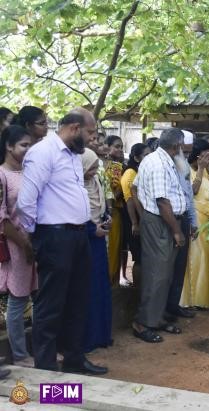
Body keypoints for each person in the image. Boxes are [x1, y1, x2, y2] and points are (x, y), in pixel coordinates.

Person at [17, 109, 107, 374]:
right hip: (54, 236)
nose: (92, 139)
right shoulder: (43, 152)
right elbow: (26, 202)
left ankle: (74, 360)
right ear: (75, 128)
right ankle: (45, 368)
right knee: (51, 304)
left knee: (78, 301)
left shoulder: (73, 155)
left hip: (78, 235)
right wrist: (37, 236)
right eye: (90, 133)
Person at [133, 128, 186, 343]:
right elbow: (162, 202)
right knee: (157, 274)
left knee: (165, 275)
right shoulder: (158, 164)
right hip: (161, 223)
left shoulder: (161, 160)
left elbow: (136, 187)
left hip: (162, 221)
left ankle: (156, 317)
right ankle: (143, 323)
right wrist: (176, 231)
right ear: (177, 145)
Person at [0, 126, 36, 367]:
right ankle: (21, 355)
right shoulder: (1, 175)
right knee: (18, 299)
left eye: (30, 144)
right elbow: (2, 220)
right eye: (24, 145)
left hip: (36, 243)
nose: (28, 149)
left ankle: (41, 349)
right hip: (17, 246)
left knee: (39, 297)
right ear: (8, 146)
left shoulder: (29, 172)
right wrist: (24, 245)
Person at [81, 148, 113, 353]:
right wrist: (92, 230)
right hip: (84, 242)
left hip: (99, 241)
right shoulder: (75, 187)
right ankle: (88, 338)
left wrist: (106, 218)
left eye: (95, 168)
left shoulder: (96, 182)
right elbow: (75, 218)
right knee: (88, 289)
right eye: (90, 169)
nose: (93, 172)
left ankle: (102, 335)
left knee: (101, 286)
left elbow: (101, 207)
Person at [165, 130, 199, 321]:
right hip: (165, 221)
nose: (186, 156)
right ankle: (163, 310)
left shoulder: (183, 166)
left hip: (183, 219)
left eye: (188, 152)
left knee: (180, 266)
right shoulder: (160, 164)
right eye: (183, 152)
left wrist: (193, 221)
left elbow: (189, 197)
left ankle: (173, 306)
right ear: (176, 148)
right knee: (165, 269)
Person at [180, 139, 209, 309]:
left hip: (206, 219)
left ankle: (203, 299)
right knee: (195, 257)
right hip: (194, 218)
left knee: (206, 257)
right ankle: (192, 299)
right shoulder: (186, 170)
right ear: (197, 155)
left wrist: (207, 168)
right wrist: (201, 169)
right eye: (206, 153)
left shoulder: (205, 170)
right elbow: (193, 190)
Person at [120, 143, 151, 287]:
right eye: (146, 155)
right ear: (137, 158)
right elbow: (130, 200)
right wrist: (135, 223)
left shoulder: (139, 171)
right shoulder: (130, 173)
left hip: (140, 216)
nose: (149, 157)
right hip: (134, 219)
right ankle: (138, 290)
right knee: (139, 257)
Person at [104, 135, 127, 286]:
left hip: (115, 212)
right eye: (117, 146)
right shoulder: (103, 165)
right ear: (107, 146)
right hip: (104, 211)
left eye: (121, 147)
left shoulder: (118, 166)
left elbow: (118, 191)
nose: (120, 149)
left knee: (114, 248)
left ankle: (112, 282)